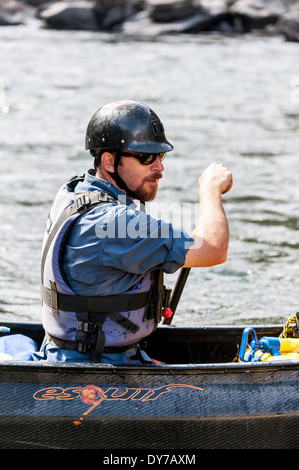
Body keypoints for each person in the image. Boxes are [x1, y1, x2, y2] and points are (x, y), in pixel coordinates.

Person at [33, 100, 232, 365]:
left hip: (80, 351)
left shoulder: (75, 192)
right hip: (96, 366)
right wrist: (210, 190)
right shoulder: (113, 223)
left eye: (161, 156)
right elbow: (214, 249)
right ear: (109, 160)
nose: (160, 167)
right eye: (146, 157)